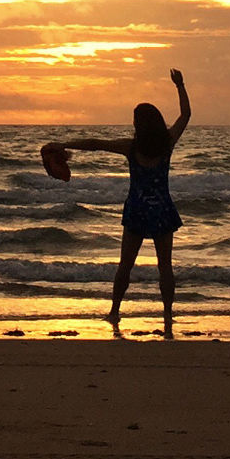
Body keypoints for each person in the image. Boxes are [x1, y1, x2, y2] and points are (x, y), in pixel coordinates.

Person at [56, 69, 191, 336]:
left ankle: (115, 311)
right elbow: (186, 115)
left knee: (125, 265)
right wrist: (180, 86)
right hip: (162, 210)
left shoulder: (131, 147)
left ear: (138, 125)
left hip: (138, 211)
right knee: (165, 266)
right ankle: (167, 316)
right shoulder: (167, 145)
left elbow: (95, 144)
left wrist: (63, 144)